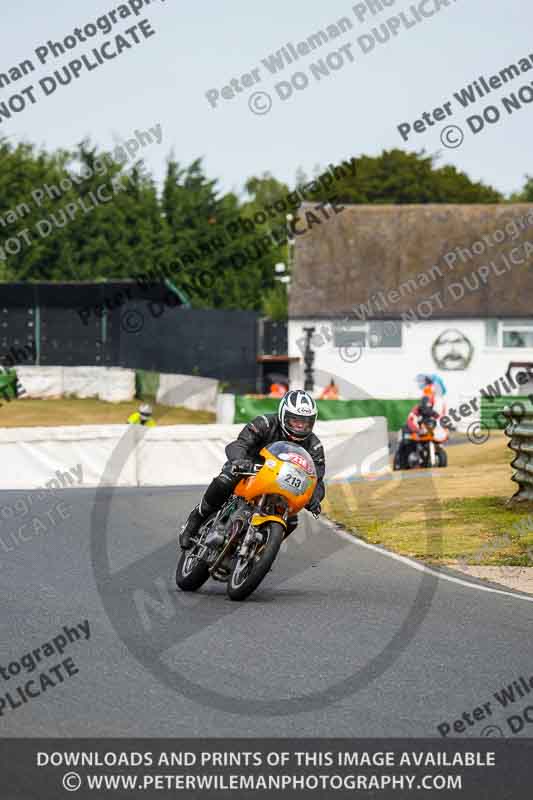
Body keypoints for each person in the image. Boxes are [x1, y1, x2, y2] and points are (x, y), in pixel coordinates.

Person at [180, 389, 326, 549]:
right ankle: (195, 520)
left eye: (305, 422)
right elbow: (240, 444)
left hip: (282, 483)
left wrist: (315, 498)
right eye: (295, 420)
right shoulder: (265, 423)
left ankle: (259, 551)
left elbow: (317, 479)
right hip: (249, 469)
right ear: (283, 415)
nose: (300, 426)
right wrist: (239, 461)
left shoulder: (315, 446)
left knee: (291, 520)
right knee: (225, 480)